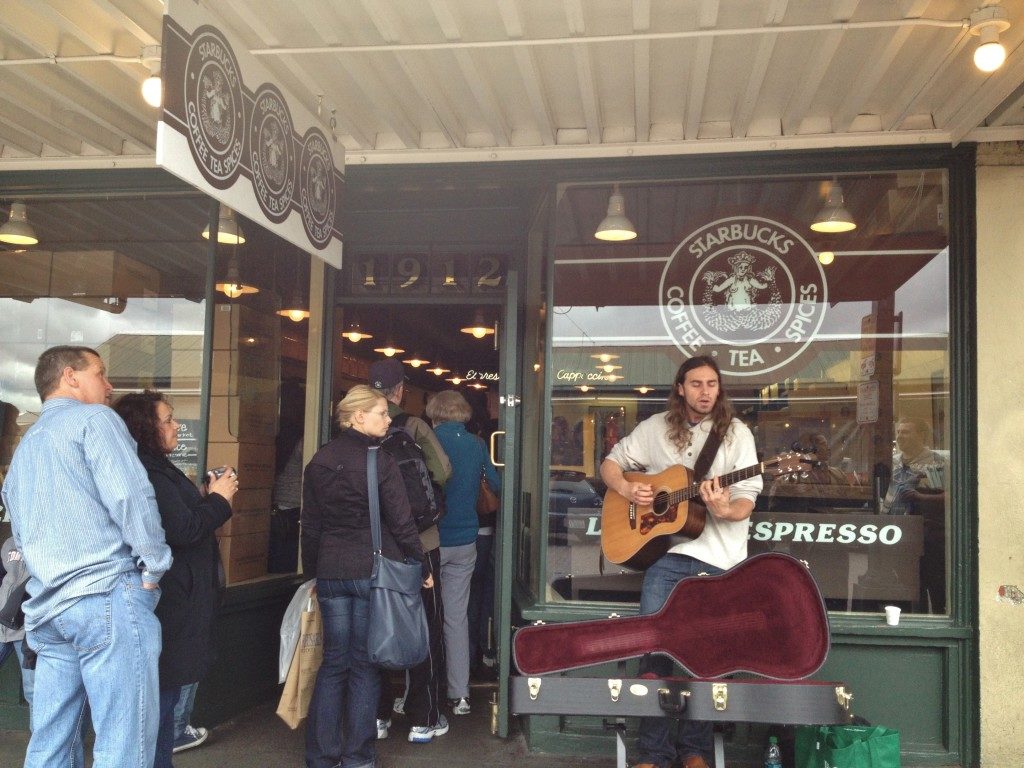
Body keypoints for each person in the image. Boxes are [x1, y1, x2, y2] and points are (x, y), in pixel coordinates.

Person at [1, 345, 172, 768]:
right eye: (100, 372)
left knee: (51, 742)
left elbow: (20, 534)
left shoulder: (25, 447)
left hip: (48, 609)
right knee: (123, 743)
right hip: (105, 597)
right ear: (70, 377)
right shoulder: (96, 420)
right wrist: (154, 564)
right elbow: (131, 497)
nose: (109, 384)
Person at [600, 356, 762, 768]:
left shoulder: (735, 434)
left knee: (708, 655)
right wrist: (627, 489)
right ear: (680, 388)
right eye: (696, 384)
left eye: (712, 384)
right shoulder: (655, 428)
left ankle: (695, 751)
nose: (705, 392)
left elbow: (745, 500)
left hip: (721, 558)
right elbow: (611, 463)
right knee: (654, 649)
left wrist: (723, 510)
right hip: (668, 557)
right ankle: (653, 753)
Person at [302, 385, 431, 768]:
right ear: (358, 416)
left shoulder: (319, 461)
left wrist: (314, 572)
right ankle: (357, 756)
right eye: (381, 413)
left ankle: (321, 757)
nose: (388, 419)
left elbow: (310, 526)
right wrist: (420, 565)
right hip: (369, 572)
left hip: (330, 572)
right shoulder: (381, 461)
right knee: (363, 666)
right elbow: (402, 522)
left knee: (332, 665)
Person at [113, 390, 237, 768]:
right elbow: (181, 530)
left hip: (178, 602)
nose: (176, 425)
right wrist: (218, 500)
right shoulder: (148, 472)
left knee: (162, 708)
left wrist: (204, 496)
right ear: (146, 428)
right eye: (168, 419)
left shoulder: (158, 469)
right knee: (158, 710)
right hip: (168, 605)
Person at [368, 359, 452, 743]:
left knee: (378, 626)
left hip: (375, 545)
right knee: (425, 626)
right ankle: (425, 717)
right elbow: (443, 471)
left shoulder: (359, 429)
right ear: (400, 390)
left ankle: (379, 715)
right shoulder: (414, 426)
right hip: (421, 543)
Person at [425, 389, 501, 718]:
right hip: (467, 540)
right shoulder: (477, 444)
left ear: (435, 412)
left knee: (425, 616)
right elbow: (495, 484)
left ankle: (423, 692)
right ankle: (461, 695)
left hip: (432, 541)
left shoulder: (427, 442)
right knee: (456, 618)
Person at [880, 417, 948, 612]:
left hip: (928, 535)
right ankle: (911, 615)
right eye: (898, 432)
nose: (900, 436)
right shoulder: (892, 462)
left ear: (921, 435)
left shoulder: (936, 462)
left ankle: (934, 621)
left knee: (932, 582)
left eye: (906, 432)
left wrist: (922, 498)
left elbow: (951, 496)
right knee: (905, 583)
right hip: (896, 533)